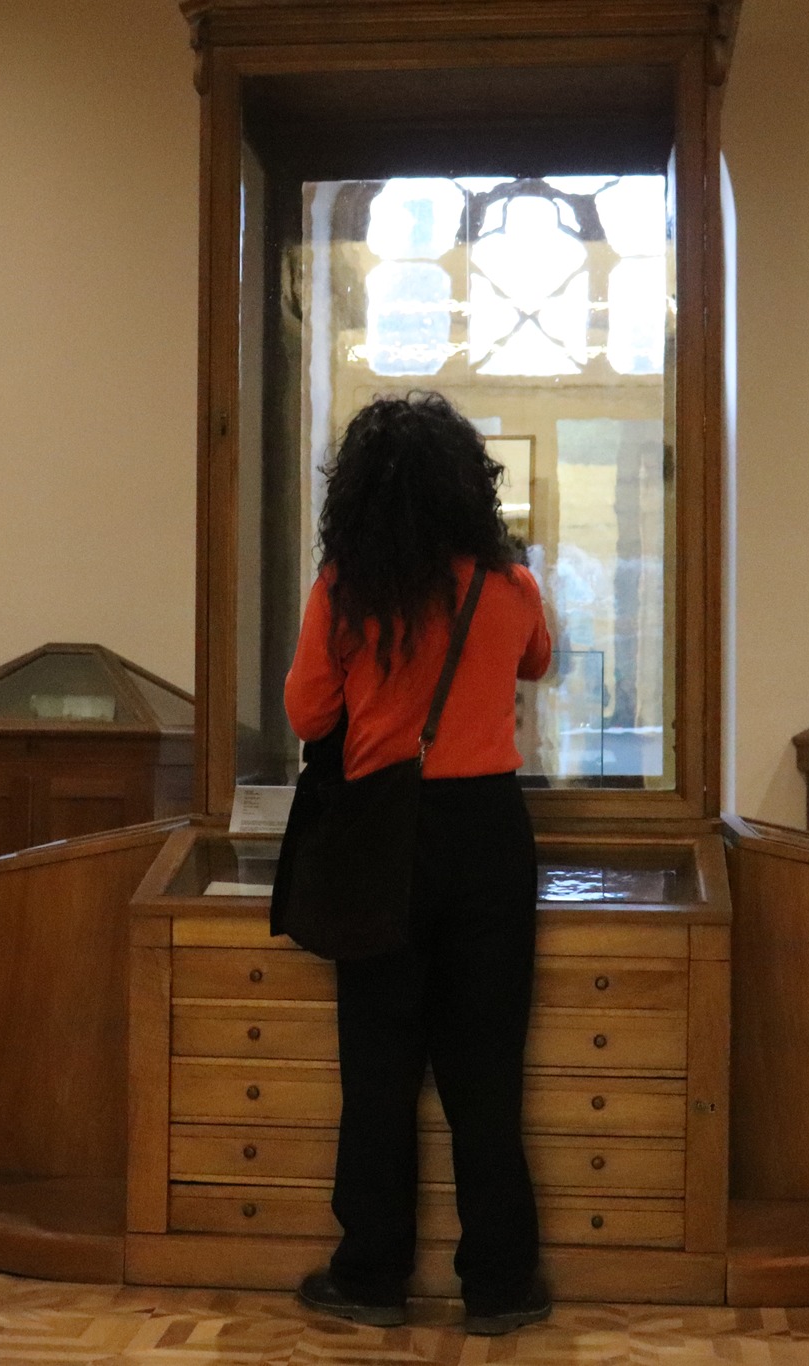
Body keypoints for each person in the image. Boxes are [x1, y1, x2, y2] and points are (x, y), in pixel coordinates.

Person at [283, 393, 554, 1335]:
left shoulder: (347, 588)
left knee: (379, 1068)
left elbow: (307, 714)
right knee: (487, 1070)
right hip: (489, 832)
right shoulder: (509, 586)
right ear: (468, 485)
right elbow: (537, 663)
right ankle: (501, 1283)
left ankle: (370, 1274)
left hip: (384, 834)